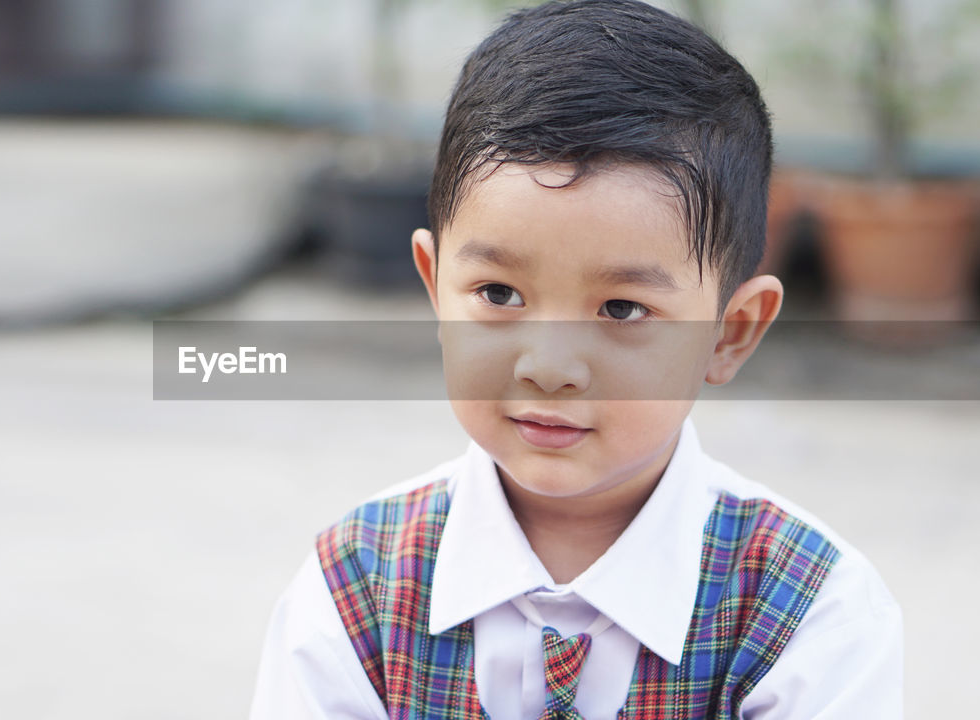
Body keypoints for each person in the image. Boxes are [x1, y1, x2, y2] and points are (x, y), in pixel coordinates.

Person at [251, 1, 902, 717]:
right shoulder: (355, 589)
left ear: (731, 332)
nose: (551, 366)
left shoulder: (811, 612)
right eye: (498, 293)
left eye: (622, 310)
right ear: (435, 287)